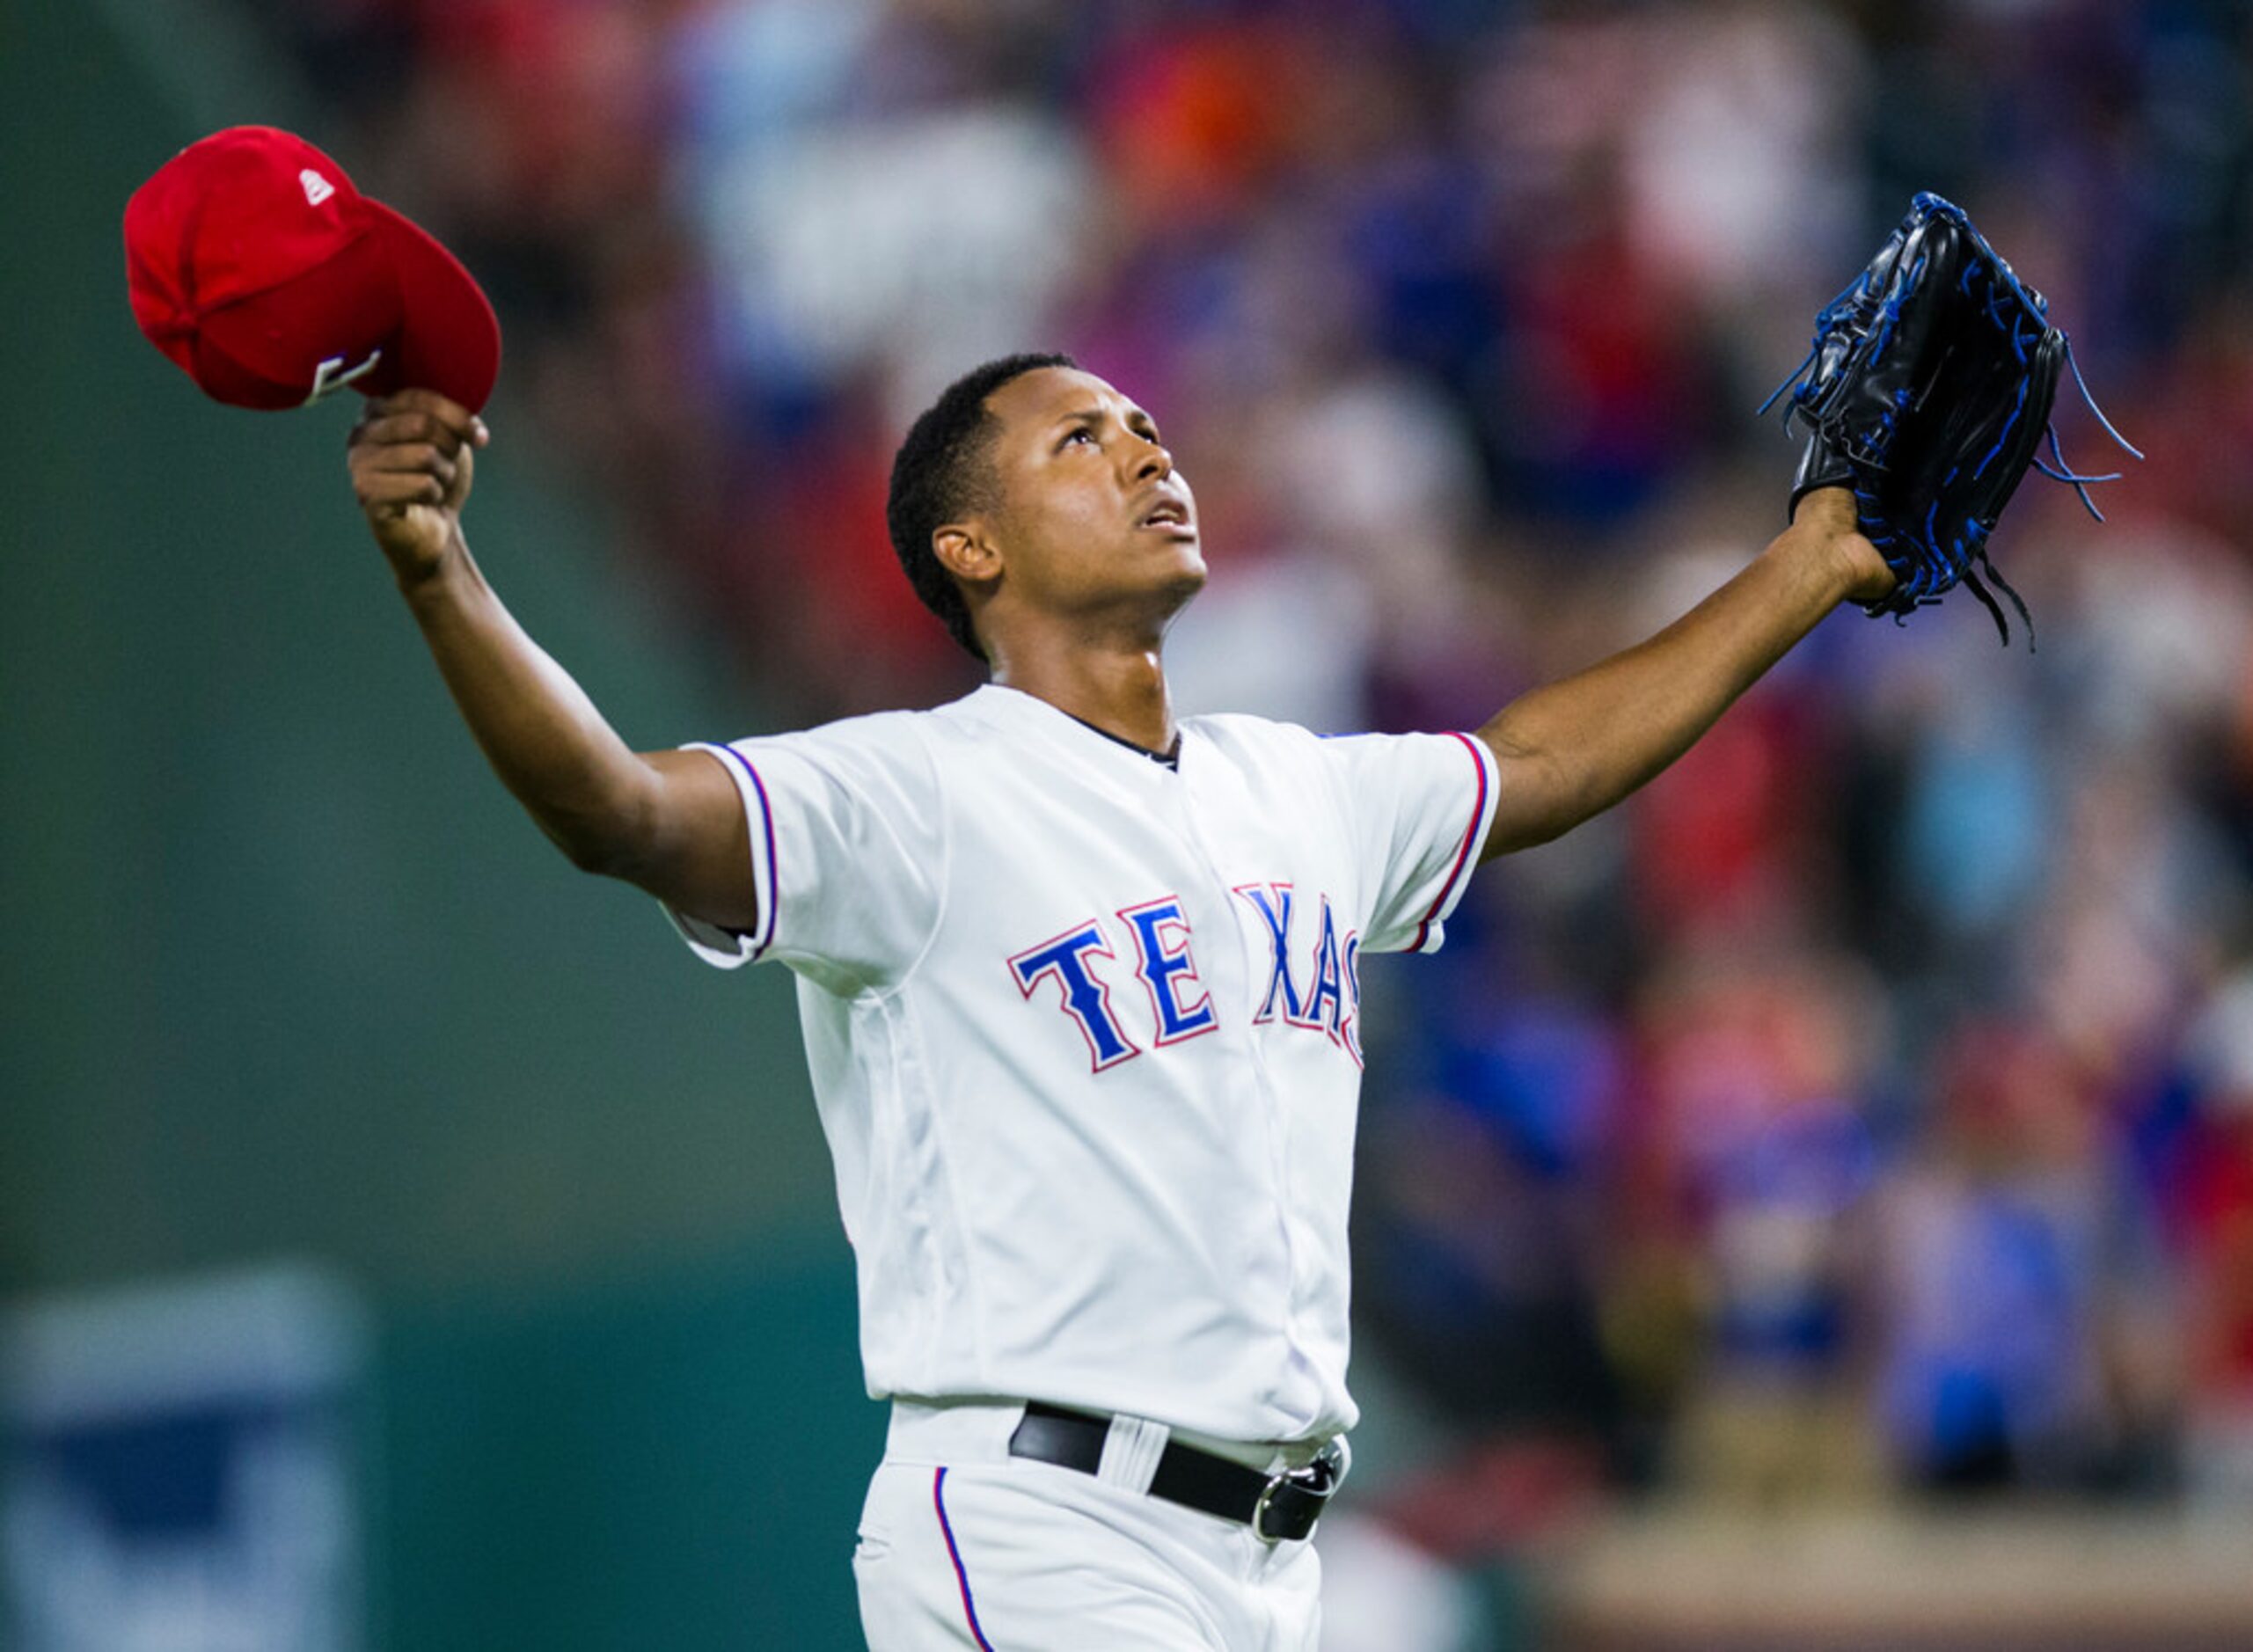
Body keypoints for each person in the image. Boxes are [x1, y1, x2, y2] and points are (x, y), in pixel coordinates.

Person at [346, 353, 1892, 1648]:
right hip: (1043, 1524)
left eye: (1144, 428)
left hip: (1271, 1559)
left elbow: (1543, 767)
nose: (1144, 451)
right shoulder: (917, 793)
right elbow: (617, 808)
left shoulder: (1288, 784)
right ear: (972, 547)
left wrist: (1809, 559)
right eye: (1078, 440)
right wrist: (443, 569)